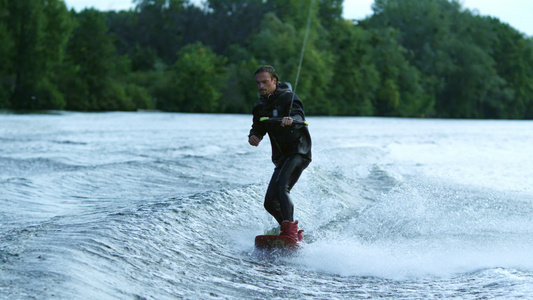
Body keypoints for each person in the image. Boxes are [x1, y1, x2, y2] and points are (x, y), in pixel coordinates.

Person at [248, 65, 312, 243]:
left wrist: (291, 120)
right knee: (269, 202)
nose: (261, 86)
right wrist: (254, 136)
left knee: (283, 186)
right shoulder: (260, 106)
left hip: (299, 152)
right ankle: (293, 231)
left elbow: (300, 117)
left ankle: (289, 231)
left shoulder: (289, 98)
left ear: (274, 81)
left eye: (265, 82)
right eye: (258, 83)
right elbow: (258, 127)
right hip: (282, 157)